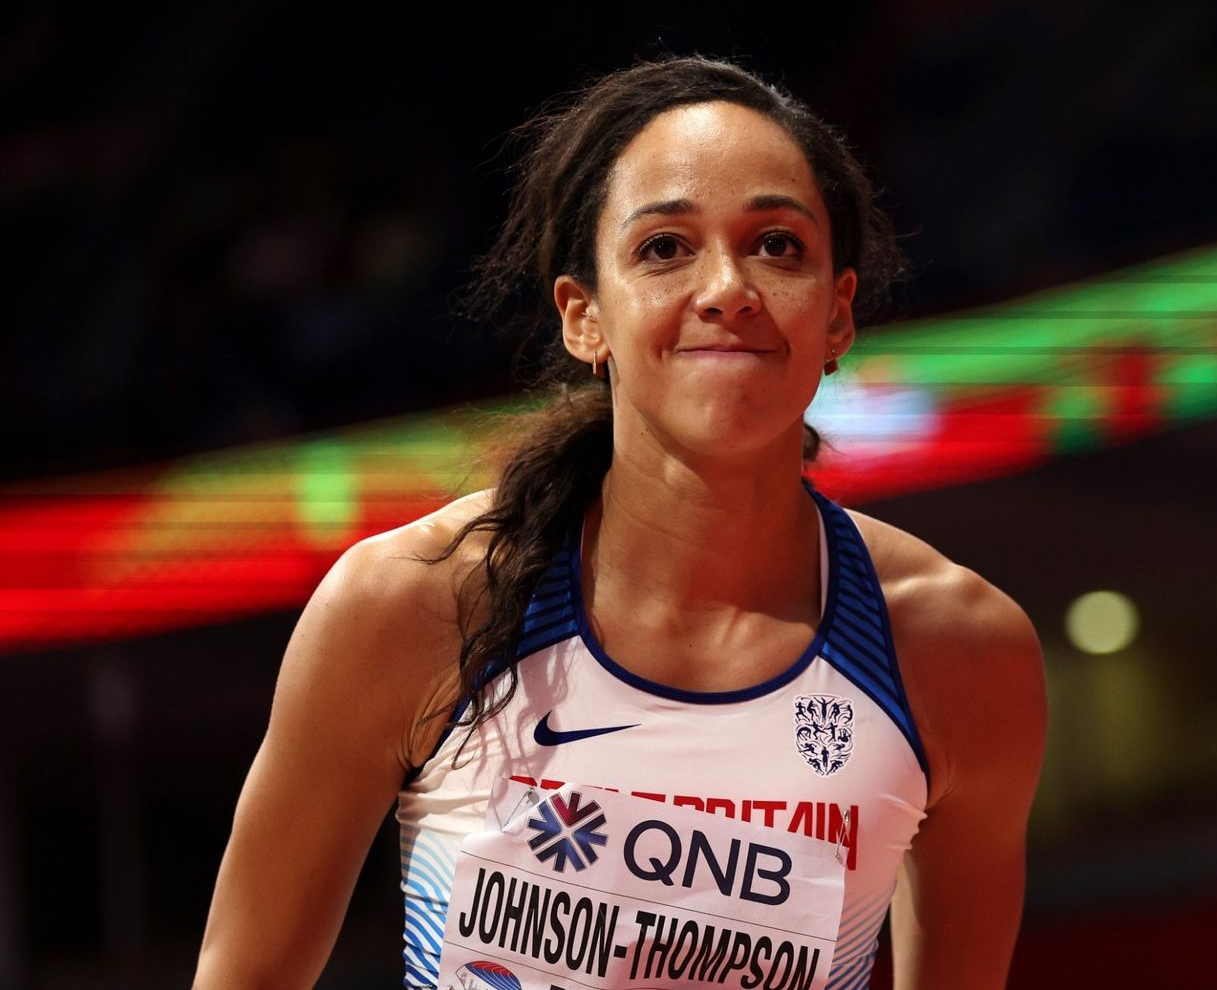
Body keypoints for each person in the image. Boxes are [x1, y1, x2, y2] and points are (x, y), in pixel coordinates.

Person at [195, 55, 1045, 990]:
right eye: (665, 249)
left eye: (777, 245)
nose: (728, 287)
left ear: (838, 316)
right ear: (583, 317)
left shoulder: (958, 648)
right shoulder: (410, 604)